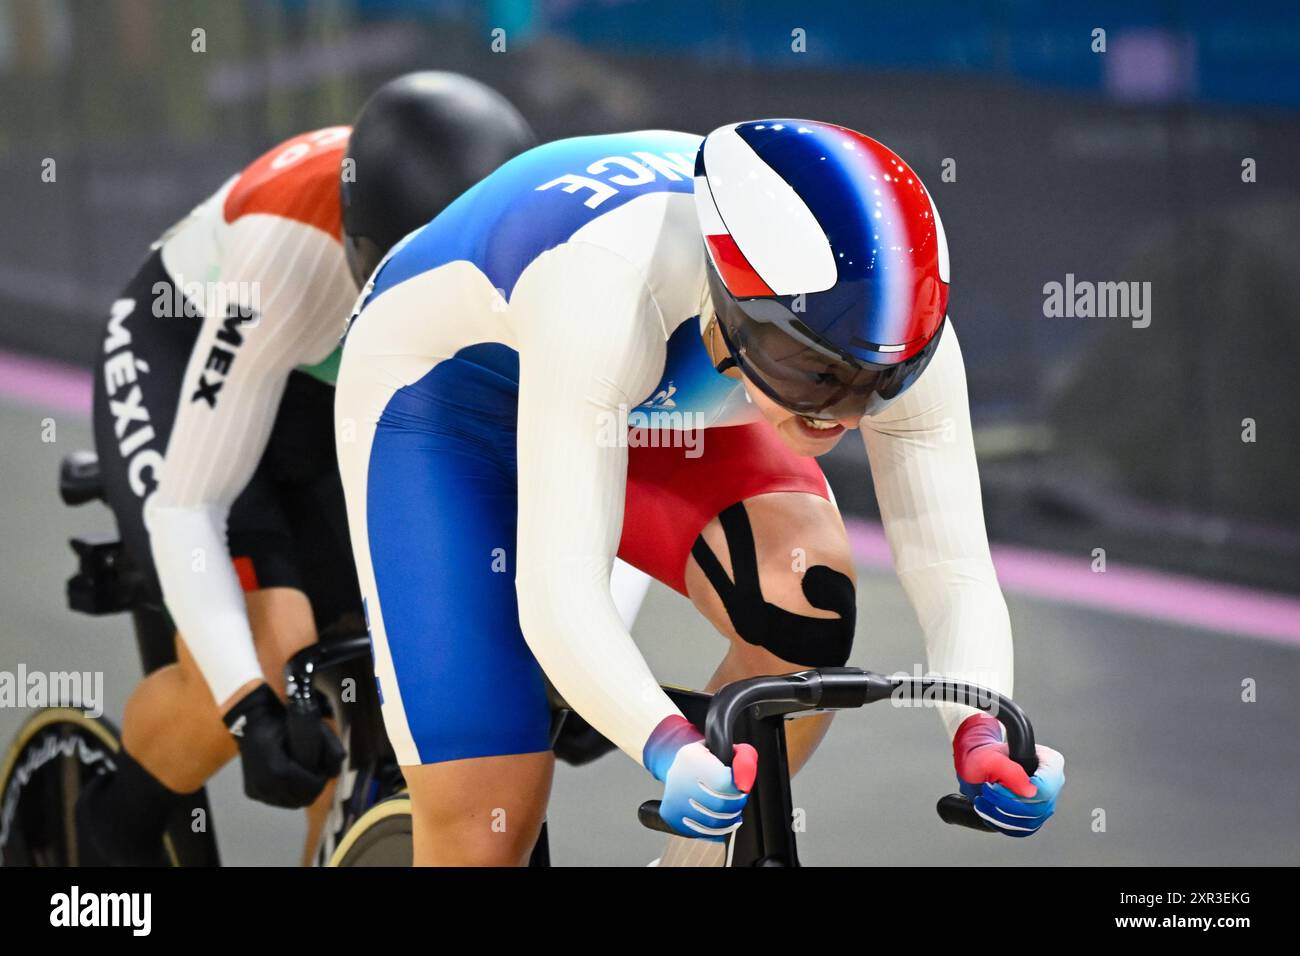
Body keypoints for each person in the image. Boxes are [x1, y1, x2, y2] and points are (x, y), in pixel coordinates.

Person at [334, 118, 1066, 866]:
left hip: (650, 392)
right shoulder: (607, 282)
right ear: (729, 302)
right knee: (487, 818)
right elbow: (559, 595)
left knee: (802, 597)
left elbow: (955, 575)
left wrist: (982, 728)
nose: (844, 414)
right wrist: (667, 745)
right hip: (443, 399)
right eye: (811, 370)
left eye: (882, 384)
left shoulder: (894, 322)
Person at [78, 72, 537, 865]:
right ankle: (111, 832)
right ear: (364, 251)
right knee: (275, 654)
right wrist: (251, 710)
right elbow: (189, 506)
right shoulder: (285, 250)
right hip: (192, 354)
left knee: (395, 646)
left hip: (330, 378)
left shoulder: (535, 239)